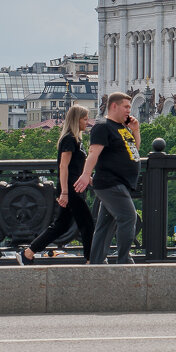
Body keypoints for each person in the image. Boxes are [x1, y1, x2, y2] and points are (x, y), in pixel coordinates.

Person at [16, 105, 95, 265]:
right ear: (76, 120)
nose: (87, 122)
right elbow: (63, 166)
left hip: (75, 187)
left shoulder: (77, 139)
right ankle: (90, 260)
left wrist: (90, 179)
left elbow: (77, 166)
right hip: (71, 189)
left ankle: (28, 253)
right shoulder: (69, 139)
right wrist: (64, 192)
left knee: (61, 225)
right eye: (85, 119)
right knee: (87, 224)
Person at [74, 91, 141, 264]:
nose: (129, 110)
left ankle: (96, 261)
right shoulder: (103, 126)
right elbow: (93, 152)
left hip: (121, 183)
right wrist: (86, 174)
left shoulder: (122, 127)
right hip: (110, 182)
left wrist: (136, 130)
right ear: (114, 106)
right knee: (128, 217)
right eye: (126, 107)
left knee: (105, 224)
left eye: (130, 107)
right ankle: (124, 260)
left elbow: (133, 151)